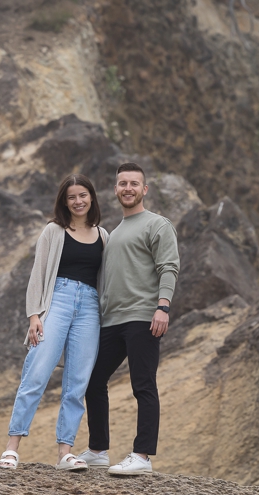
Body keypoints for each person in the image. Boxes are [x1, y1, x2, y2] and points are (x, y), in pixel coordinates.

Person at [0, 174, 108, 471]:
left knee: (77, 383)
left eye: (83, 195)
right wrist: (34, 315)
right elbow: (38, 273)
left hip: (89, 308)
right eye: (72, 197)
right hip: (56, 301)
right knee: (36, 373)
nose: (78, 201)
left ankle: (64, 453)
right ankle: (11, 448)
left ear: (92, 197)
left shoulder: (103, 235)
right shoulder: (53, 231)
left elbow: (107, 279)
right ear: (64, 201)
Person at [81, 162, 180, 477]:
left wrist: (162, 306)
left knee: (143, 385)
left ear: (144, 189)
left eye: (134, 184)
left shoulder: (158, 225)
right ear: (115, 190)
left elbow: (169, 266)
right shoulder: (114, 232)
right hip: (112, 321)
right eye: (122, 183)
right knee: (93, 380)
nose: (128, 188)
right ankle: (98, 450)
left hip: (143, 317)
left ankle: (142, 456)